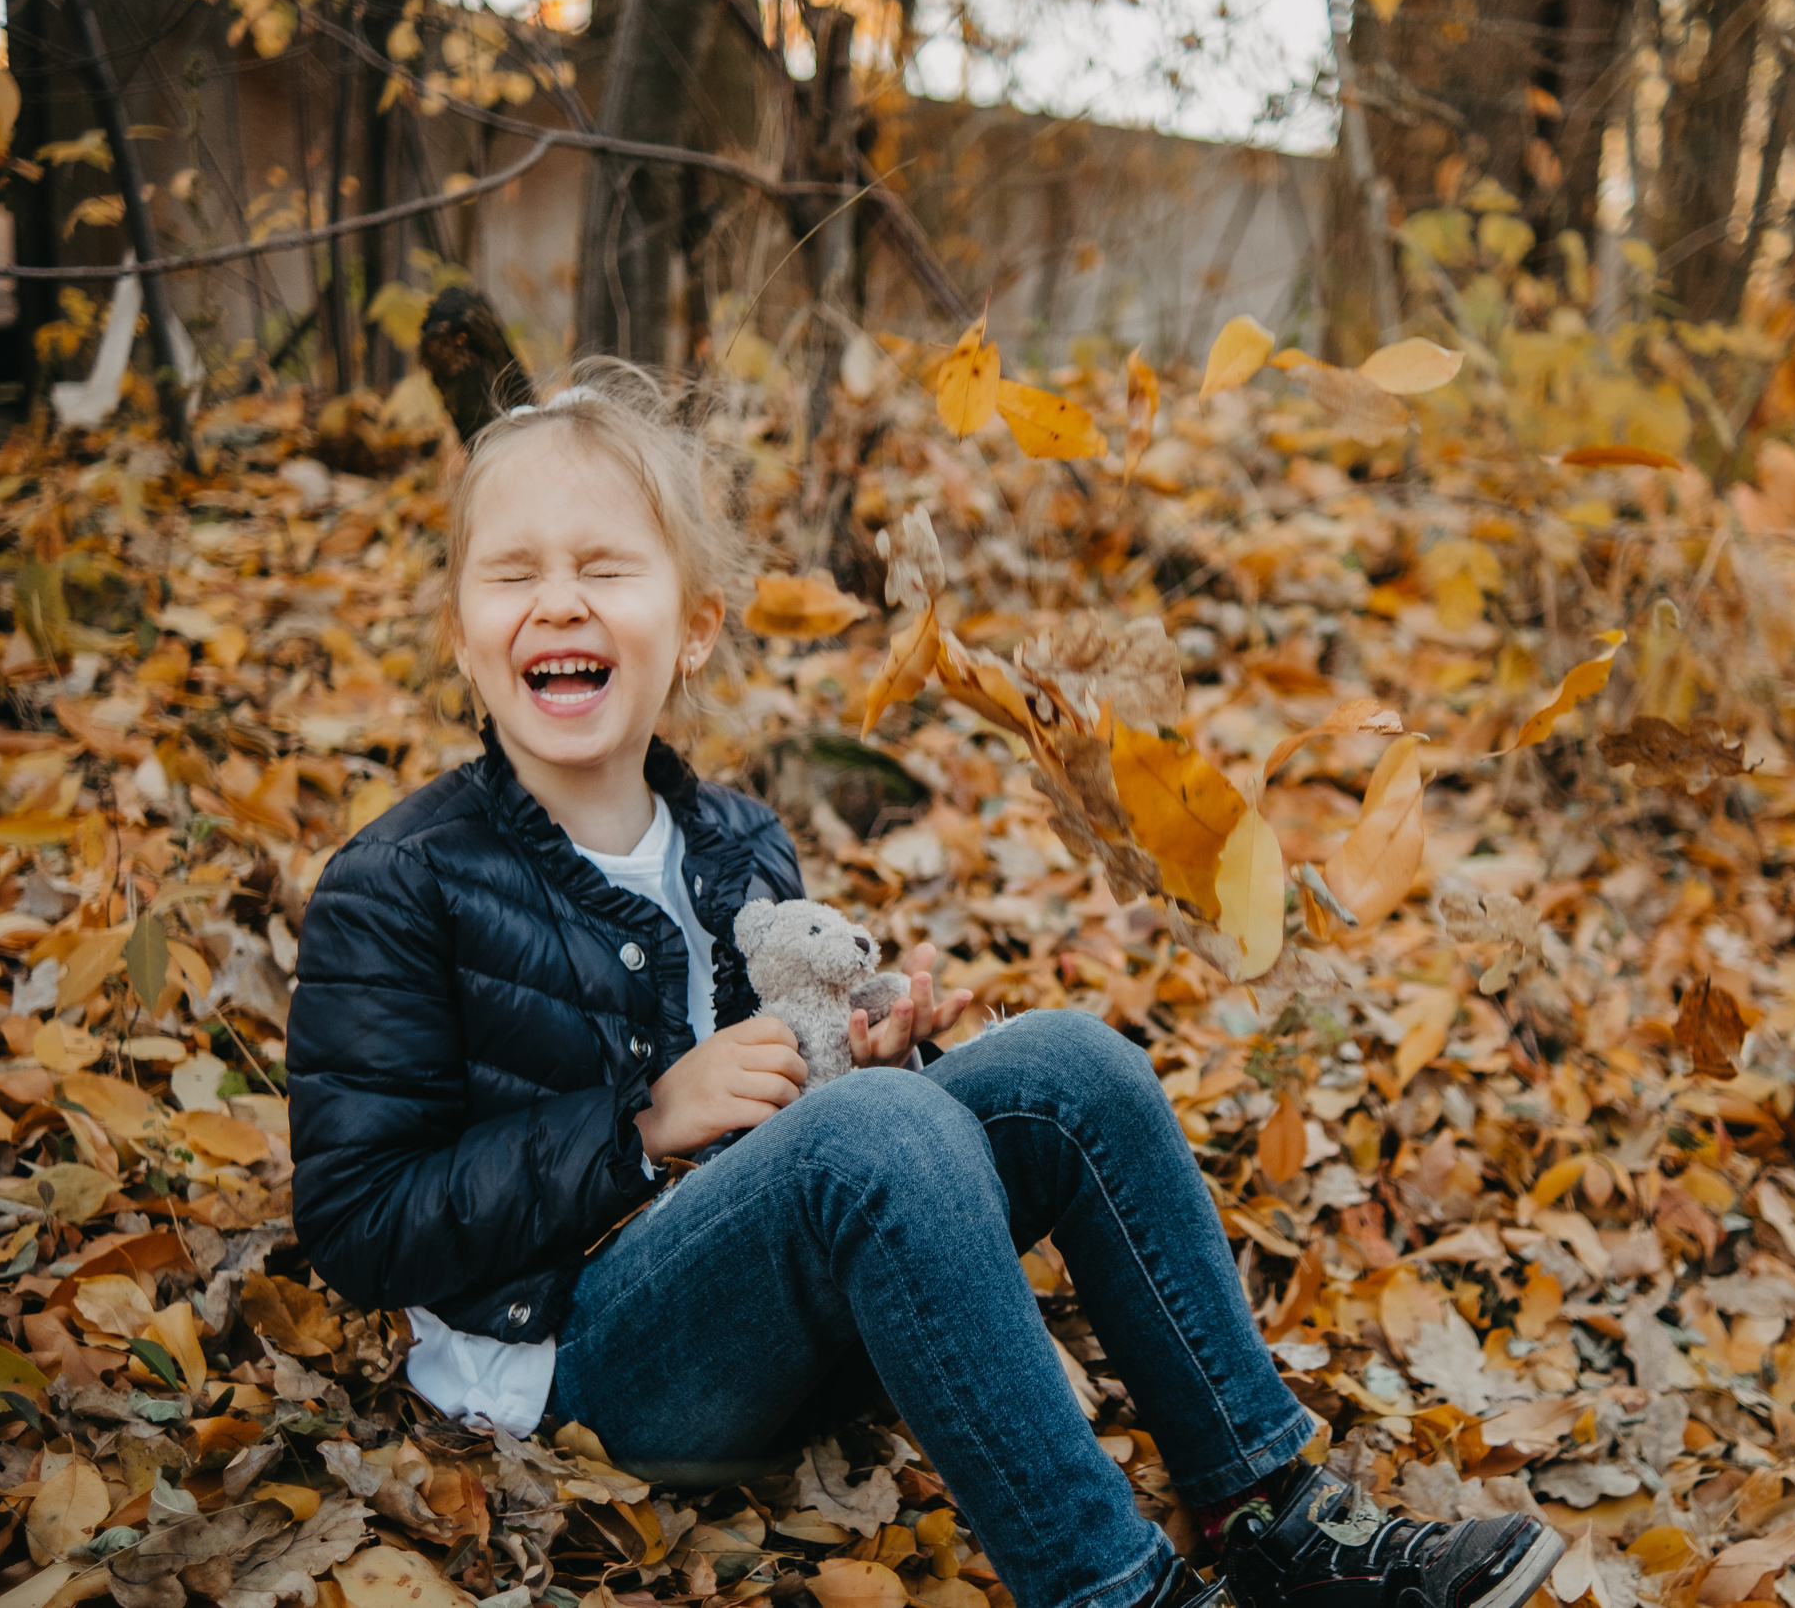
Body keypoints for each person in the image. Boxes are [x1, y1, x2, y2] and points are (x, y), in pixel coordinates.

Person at [287, 361, 1566, 1608]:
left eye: (605, 569)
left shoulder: (737, 842)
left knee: (1071, 1065)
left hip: (771, 1324)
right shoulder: (401, 882)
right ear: (462, 636)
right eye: (513, 574)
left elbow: (793, 1131)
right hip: (583, 1372)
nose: (558, 604)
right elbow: (356, 1221)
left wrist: (870, 1065)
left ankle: (1270, 1513)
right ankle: (1110, 1588)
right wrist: (639, 1131)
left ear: (694, 628)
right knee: (877, 1133)